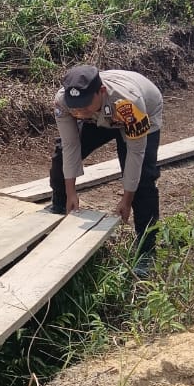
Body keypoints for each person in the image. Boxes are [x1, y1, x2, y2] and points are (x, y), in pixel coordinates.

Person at [48, 64, 163, 272]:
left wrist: (127, 199)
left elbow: (135, 154)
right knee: (61, 156)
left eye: (83, 106)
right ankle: (58, 207)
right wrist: (70, 191)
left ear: (100, 92)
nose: (78, 112)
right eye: (75, 106)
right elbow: (70, 145)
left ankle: (146, 250)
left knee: (144, 180)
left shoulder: (130, 103)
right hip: (98, 115)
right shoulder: (64, 102)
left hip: (139, 108)